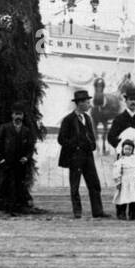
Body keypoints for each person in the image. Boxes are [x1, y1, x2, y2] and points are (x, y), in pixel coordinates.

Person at [57, 89, 106, 219]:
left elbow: (90, 134)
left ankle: (98, 211)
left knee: (94, 184)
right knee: (75, 185)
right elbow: (61, 139)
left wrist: (92, 144)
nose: (89, 105)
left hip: (88, 156)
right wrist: (76, 145)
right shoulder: (68, 120)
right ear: (79, 103)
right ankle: (77, 212)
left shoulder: (87, 118)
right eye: (87, 102)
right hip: (75, 157)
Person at [107, 88, 135, 219]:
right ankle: (121, 211)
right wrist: (123, 150)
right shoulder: (120, 119)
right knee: (122, 185)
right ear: (126, 101)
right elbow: (111, 137)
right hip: (125, 158)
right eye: (130, 100)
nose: (133, 102)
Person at [0, 105, 34, 216]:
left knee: (17, 186)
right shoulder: (5, 128)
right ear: (12, 115)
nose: (18, 117)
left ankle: (13, 209)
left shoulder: (26, 130)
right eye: (16, 114)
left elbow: (30, 147)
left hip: (19, 163)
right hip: (6, 162)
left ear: (23, 116)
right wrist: (1, 159)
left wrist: (26, 157)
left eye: (20, 114)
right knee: (2, 185)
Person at [112, 138, 135, 221]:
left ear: (132, 150)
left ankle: (133, 214)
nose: (128, 151)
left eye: (130, 149)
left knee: (133, 198)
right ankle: (121, 213)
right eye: (126, 149)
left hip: (134, 182)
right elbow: (117, 172)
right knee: (122, 198)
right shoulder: (120, 161)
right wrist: (118, 182)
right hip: (124, 182)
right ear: (123, 149)